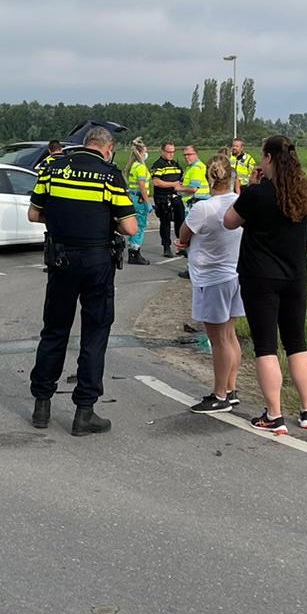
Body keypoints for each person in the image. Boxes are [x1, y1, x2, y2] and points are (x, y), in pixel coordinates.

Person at [28, 124, 140, 436]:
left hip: (61, 259)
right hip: (96, 261)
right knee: (95, 333)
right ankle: (84, 412)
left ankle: (41, 406)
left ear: (85, 143)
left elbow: (34, 215)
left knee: (54, 331)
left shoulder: (53, 169)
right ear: (108, 149)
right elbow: (130, 227)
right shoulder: (109, 175)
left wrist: (63, 219)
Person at [223, 134, 307, 433]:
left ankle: (274, 415)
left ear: (268, 158)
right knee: (297, 343)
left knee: (266, 346)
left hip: (260, 277)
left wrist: (251, 187)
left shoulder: (257, 194)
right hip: (295, 276)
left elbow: (229, 221)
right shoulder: (304, 194)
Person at [177, 155, 244, 413]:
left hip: (211, 277)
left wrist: (183, 244)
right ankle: (231, 388)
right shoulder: (239, 203)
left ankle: (219, 395)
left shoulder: (203, 208)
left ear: (208, 177)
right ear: (232, 177)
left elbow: (184, 233)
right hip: (235, 272)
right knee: (230, 335)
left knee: (218, 340)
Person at [149, 141, 185, 258]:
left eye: (173, 152)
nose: (171, 154)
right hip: (163, 198)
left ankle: (181, 246)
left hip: (175, 197)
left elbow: (181, 178)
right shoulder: (158, 165)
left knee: (180, 221)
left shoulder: (175, 164)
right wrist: (173, 184)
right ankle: (166, 247)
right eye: (168, 152)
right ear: (163, 151)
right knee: (165, 223)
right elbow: (156, 182)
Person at [124, 137, 153, 265]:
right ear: (141, 153)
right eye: (145, 151)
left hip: (133, 198)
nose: (146, 154)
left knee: (134, 225)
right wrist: (147, 202)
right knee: (140, 226)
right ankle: (135, 252)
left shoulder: (133, 166)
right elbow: (142, 185)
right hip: (140, 199)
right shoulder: (140, 167)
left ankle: (132, 251)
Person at [180, 144, 210, 209]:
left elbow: (193, 188)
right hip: (197, 202)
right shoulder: (191, 167)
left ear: (196, 154)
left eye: (189, 154)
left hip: (197, 202)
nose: (186, 157)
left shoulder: (197, 168)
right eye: (185, 155)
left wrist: (177, 187)